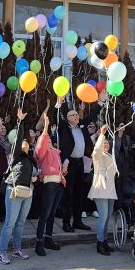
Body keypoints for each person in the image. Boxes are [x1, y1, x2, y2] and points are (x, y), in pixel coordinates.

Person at [55, 95, 104, 232]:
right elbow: (56, 116)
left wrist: (101, 102)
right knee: (68, 195)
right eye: (73, 115)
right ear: (67, 118)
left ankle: (77, 221)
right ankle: (66, 223)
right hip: (69, 163)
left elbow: (92, 115)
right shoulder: (64, 127)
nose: (76, 116)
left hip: (80, 163)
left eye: (77, 114)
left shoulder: (81, 126)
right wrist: (58, 104)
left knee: (79, 193)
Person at [0, 109, 36, 265]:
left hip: (28, 192)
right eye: (22, 141)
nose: (25, 142)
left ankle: (16, 249)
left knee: (20, 223)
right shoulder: (15, 154)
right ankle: (1, 252)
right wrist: (20, 122)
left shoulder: (30, 158)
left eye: (27, 141)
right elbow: (19, 140)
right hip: (14, 191)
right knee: (10, 223)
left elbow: (34, 172)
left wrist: (35, 177)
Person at [33, 113, 65, 257]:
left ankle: (48, 238)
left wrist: (63, 170)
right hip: (49, 185)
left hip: (58, 184)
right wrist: (45, 127)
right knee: (45, 213)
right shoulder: (41, 151)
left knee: (52, 213)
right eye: (47, 140)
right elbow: (41, 144)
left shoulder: (55, 152)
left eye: (50, 139)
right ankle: (39, 242)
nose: (49, 140)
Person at [88, 125, 118, 256]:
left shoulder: (110, 156)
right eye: (103, 143)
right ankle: (99, 243)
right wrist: (102, 134)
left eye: (107, 143)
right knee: (103, 216)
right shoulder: (97, 156)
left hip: (110, 189)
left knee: (107, 218)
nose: (105, 144)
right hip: (101, 188)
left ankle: (104, 241)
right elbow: (97, 149)